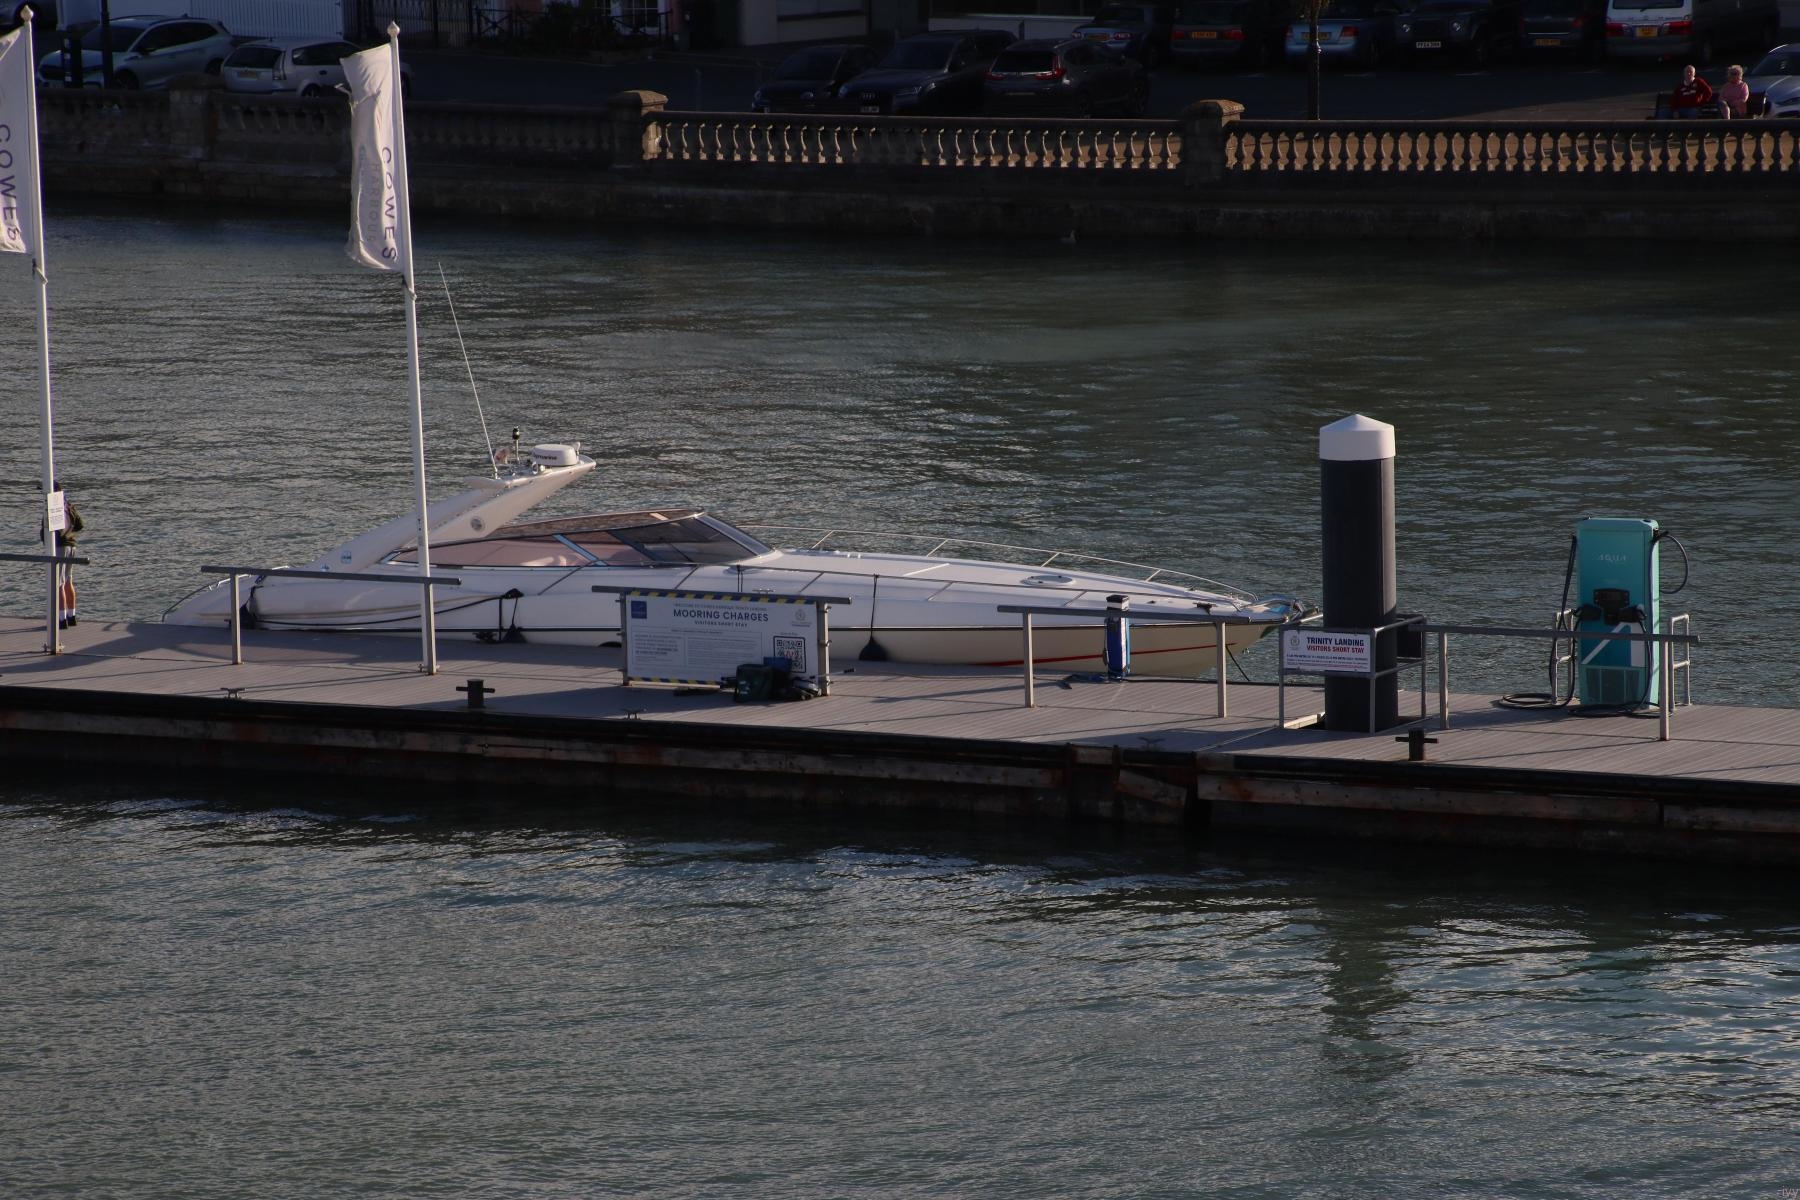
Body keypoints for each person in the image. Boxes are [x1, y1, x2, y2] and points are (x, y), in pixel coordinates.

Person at [38, 483, 83, 628]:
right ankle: (72, 616)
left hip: (60, 546)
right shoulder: (68, 505)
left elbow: (48, 531)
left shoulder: (53, 507)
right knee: (68, 581)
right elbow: (80, 525)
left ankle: (62, 620)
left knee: (59, 584)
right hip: (71, 545)